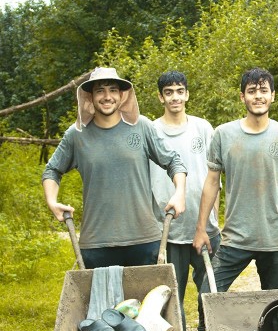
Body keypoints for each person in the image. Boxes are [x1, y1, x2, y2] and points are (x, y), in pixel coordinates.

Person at [193, 67, 278, 331]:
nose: (258, 96)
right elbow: (212, 181)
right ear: (242, 95)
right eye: (252, 91)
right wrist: (202, 228)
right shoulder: (224, 134)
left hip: (277, 238)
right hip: (235, 238)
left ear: (273, 95)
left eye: (264, 90)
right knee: (208, 295)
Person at [42, 67, 187, 269]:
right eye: (100, 90)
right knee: (101, 301)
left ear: (122, 95)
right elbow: (52, 171)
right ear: (90, 97)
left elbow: (173, 162)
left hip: (144, 240)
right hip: (96, 243)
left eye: (112, 90)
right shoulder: (77, 135)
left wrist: (179, 193)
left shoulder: (141, 126)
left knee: (145, 300)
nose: (107, 96)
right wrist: (52, 201)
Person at [149, 71, 221, 331]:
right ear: (161, 97)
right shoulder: (150, 130)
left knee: (210, 290)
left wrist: (213, 219)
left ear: (187, 95)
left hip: (204, 227)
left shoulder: (203, 128)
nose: (175, 97)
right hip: (167, 230)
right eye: (169, 92)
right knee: (171, 294)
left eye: (180, 91)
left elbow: (215, 174)